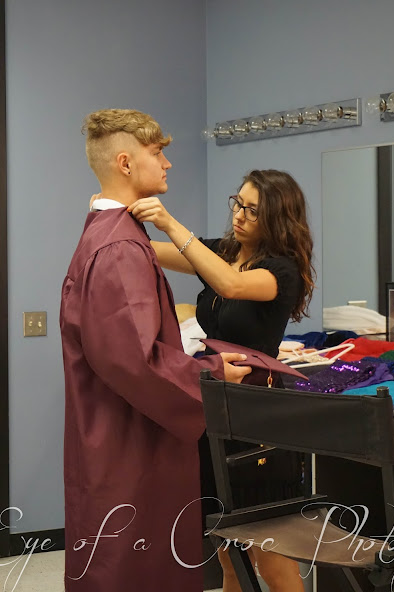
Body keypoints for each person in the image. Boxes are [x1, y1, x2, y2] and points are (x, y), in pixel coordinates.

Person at [60, 108, 251, 592]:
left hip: (113, 432)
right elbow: (135, 361)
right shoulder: (119, 247)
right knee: (135, 566)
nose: (167, 164)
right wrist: (211, 373)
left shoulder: (108, 233)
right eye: (157, 152)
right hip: (130, 442)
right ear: (125, 163)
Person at [127, 168, 316, 592]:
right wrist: (114, 217)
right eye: (238, 204)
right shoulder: (225, 251)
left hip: (259, 422)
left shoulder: (281, 271)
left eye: (253, 210)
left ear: (277, 219)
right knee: (229, 556)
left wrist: (168, 221)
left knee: (272, 559)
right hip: (216, 411)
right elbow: (151, 252)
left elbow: (230, 285)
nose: (240, 216)